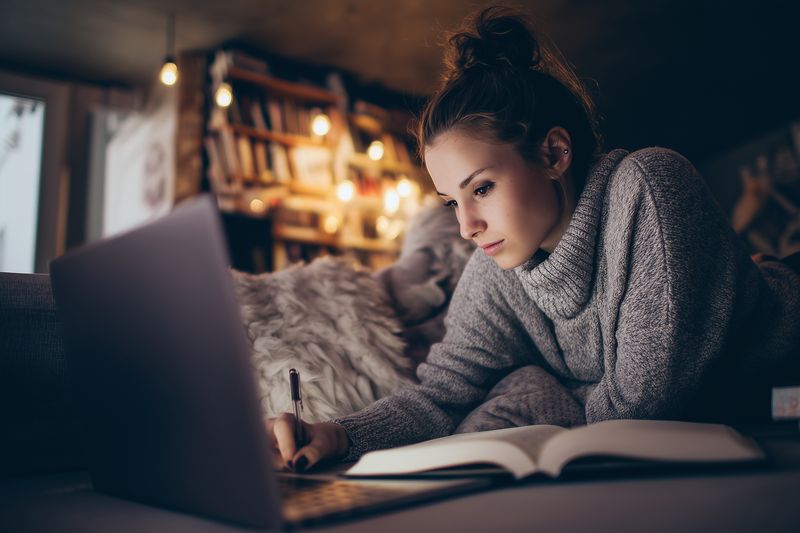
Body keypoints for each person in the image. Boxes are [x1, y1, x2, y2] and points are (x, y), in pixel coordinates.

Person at [266, 6, 800, 472]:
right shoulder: (497, 269)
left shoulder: (650, 188)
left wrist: (529, 386)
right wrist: (338, 434)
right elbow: (440, 397)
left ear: (554, 154)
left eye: (483, 188)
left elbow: (643, 408)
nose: (466, 225)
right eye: (453, 201)